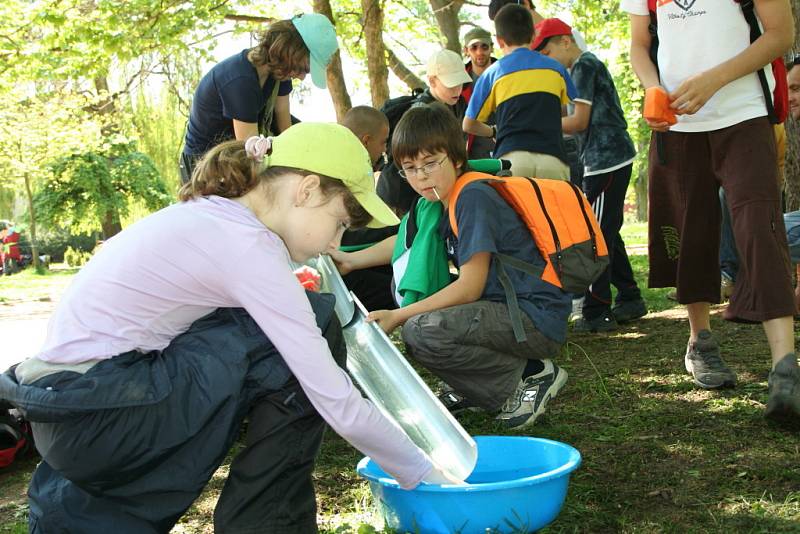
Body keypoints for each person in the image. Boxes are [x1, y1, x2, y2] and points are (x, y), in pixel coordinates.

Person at [0, 124, 460, 533]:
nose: (335, 244)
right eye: (339, 223)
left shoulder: (213, 215)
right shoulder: (248, 245)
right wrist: (423, 474)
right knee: (314, 320)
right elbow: (335, 399)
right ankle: (266, 522)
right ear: (307, 190)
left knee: (276, 322)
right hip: (104, 415)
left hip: (64, 413)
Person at [333, 104, 571, 430]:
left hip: (533, 316)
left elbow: (470, 285)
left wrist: (400, 315)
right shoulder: (440, 200)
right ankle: (472, 388)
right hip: (504, 310)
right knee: (423, 326)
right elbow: (408, 244)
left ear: (456, 158)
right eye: (410, 168)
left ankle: (530, 375)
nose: (421, 176)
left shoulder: (472, 197)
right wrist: (352, 260)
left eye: (431, 163)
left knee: (422, 329)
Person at [623, 0, 799, 422]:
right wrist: (652, 87)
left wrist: (715, 80)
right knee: (690, 231)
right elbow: (638, 45)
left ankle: (785, 367)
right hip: (677, 123)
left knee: (760, 225)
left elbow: (781, 34)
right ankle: (700, 340)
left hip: (744, 114)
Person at [533, 18, 647, 333]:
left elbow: (579, 121)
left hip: (606, 159)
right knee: (607, 228)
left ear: (566, 41)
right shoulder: (578, 68)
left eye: (547, 51)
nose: (546, 59)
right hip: (606, 159)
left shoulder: (583, 66)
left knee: (593, 234)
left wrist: (534, 123)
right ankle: (630, 296)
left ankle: (597, 310)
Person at [179, 13, 338, 183]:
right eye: (303, 69)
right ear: (290, 51)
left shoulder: (280, 74)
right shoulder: (240, 81)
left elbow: (286, 132)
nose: (301, 77)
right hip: (203, 167)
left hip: (233, 157)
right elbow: (251, 155)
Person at [463, 4, 577, 180]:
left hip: (512, 158)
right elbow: (571, 107)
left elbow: (468, 125)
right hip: (553, 157)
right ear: (533, 35)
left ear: (499, 41)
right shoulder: (556, 69)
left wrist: (494, 131)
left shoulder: (492, 74)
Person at [377, 49, 471, 215]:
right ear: (432, 81)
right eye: (451, 84)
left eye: (460, 83)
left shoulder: (457, 105)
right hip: (402, 199)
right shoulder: (418, 113)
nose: (458, 89)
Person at [340, 106, 398, 311]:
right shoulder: (351, 168)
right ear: (366, 140)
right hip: (338, 261)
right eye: (383, 142)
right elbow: (350, 236)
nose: (384, 149)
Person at [462, 27, 497, 159]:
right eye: (474, 47)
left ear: (492, 48)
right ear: (466, 51)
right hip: (473, 153)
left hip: (506, 148)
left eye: (484, 46)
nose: (479, 52)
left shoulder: (507, 74)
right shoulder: (459, 83)